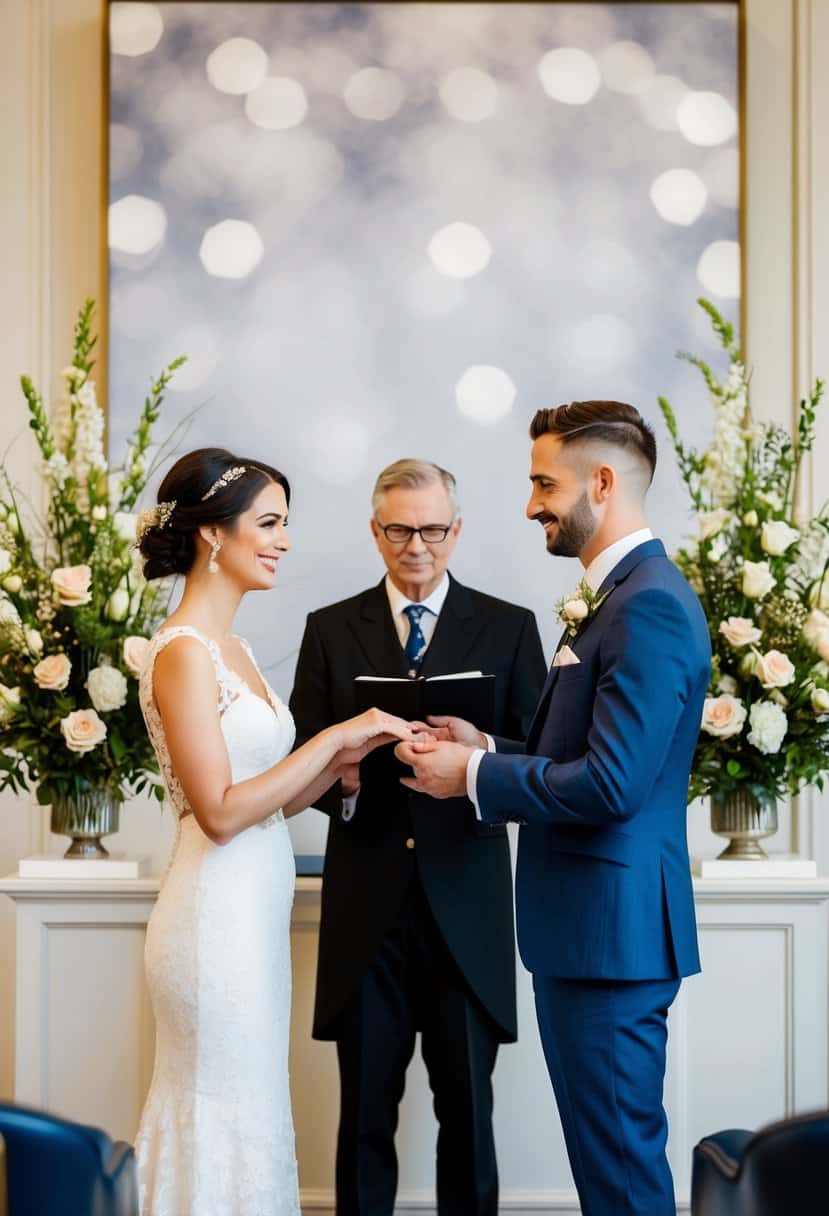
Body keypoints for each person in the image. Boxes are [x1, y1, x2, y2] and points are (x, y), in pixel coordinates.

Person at [397, 403, 711, 1216]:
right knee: (604, 1166)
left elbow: (610, 787)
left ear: (600, 484)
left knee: (620, 1174)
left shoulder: (646, 604)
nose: (530, 503)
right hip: (586, 936)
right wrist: (491, 748)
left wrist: (469, 775)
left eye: (544, 483)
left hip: (611, 939)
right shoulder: (616, 596)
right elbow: (586, 759)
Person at [133, 447, 414, 1216]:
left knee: (252, 1107)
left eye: (285, 522)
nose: (284, 538)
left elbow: (265, 804)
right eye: (268, 522)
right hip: (210, 921)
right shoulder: (183, 653)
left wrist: (344, 763)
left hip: (253, 917)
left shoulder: (237, 651)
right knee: (217, 1109)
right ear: (211, 536)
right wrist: (330, 737)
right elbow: (219, 812)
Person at [290, 458, 546, 1216]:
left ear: (456, 531)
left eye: (432, 530)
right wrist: (344, 773)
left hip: (466, 913)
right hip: (366, 914)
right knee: (363, 1116)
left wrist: (478, 749)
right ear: (375, 532)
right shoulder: (329, 630)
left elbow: (539, 762)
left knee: (468, 1115)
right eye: (399, 530)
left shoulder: (507, 628)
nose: (416, 546)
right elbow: (300, 760)